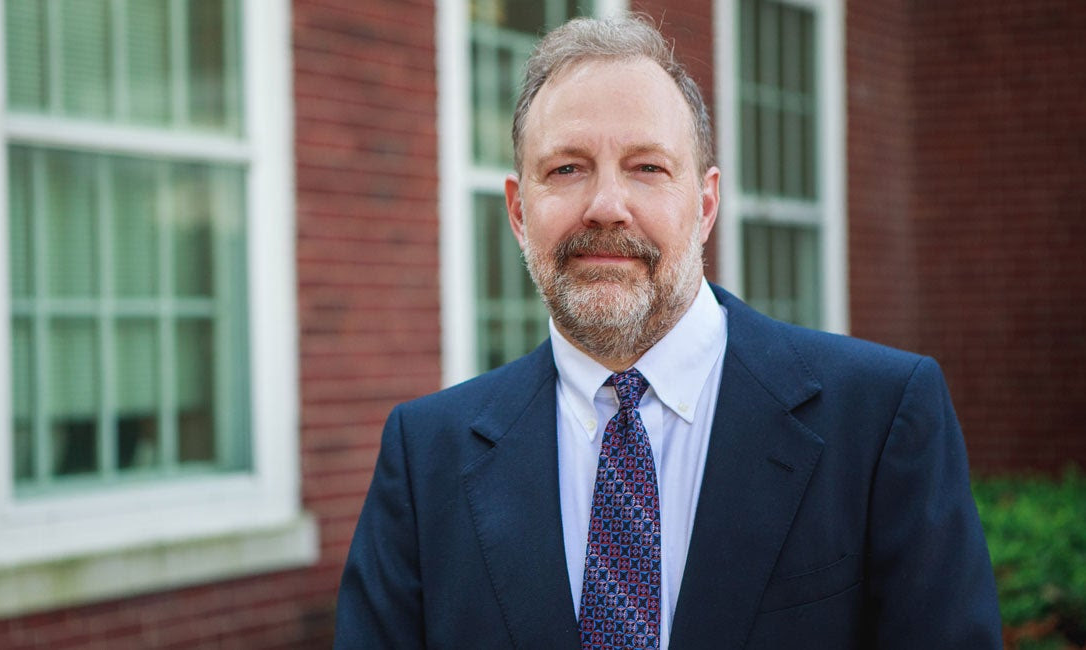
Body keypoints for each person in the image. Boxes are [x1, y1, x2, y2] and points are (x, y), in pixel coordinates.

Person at [335, 13, 1001, 649]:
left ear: (705, 205)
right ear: (517, 210)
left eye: (647, 168)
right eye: (566, 169)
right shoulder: (426, 461)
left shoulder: (881, 419)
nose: (605, 205)